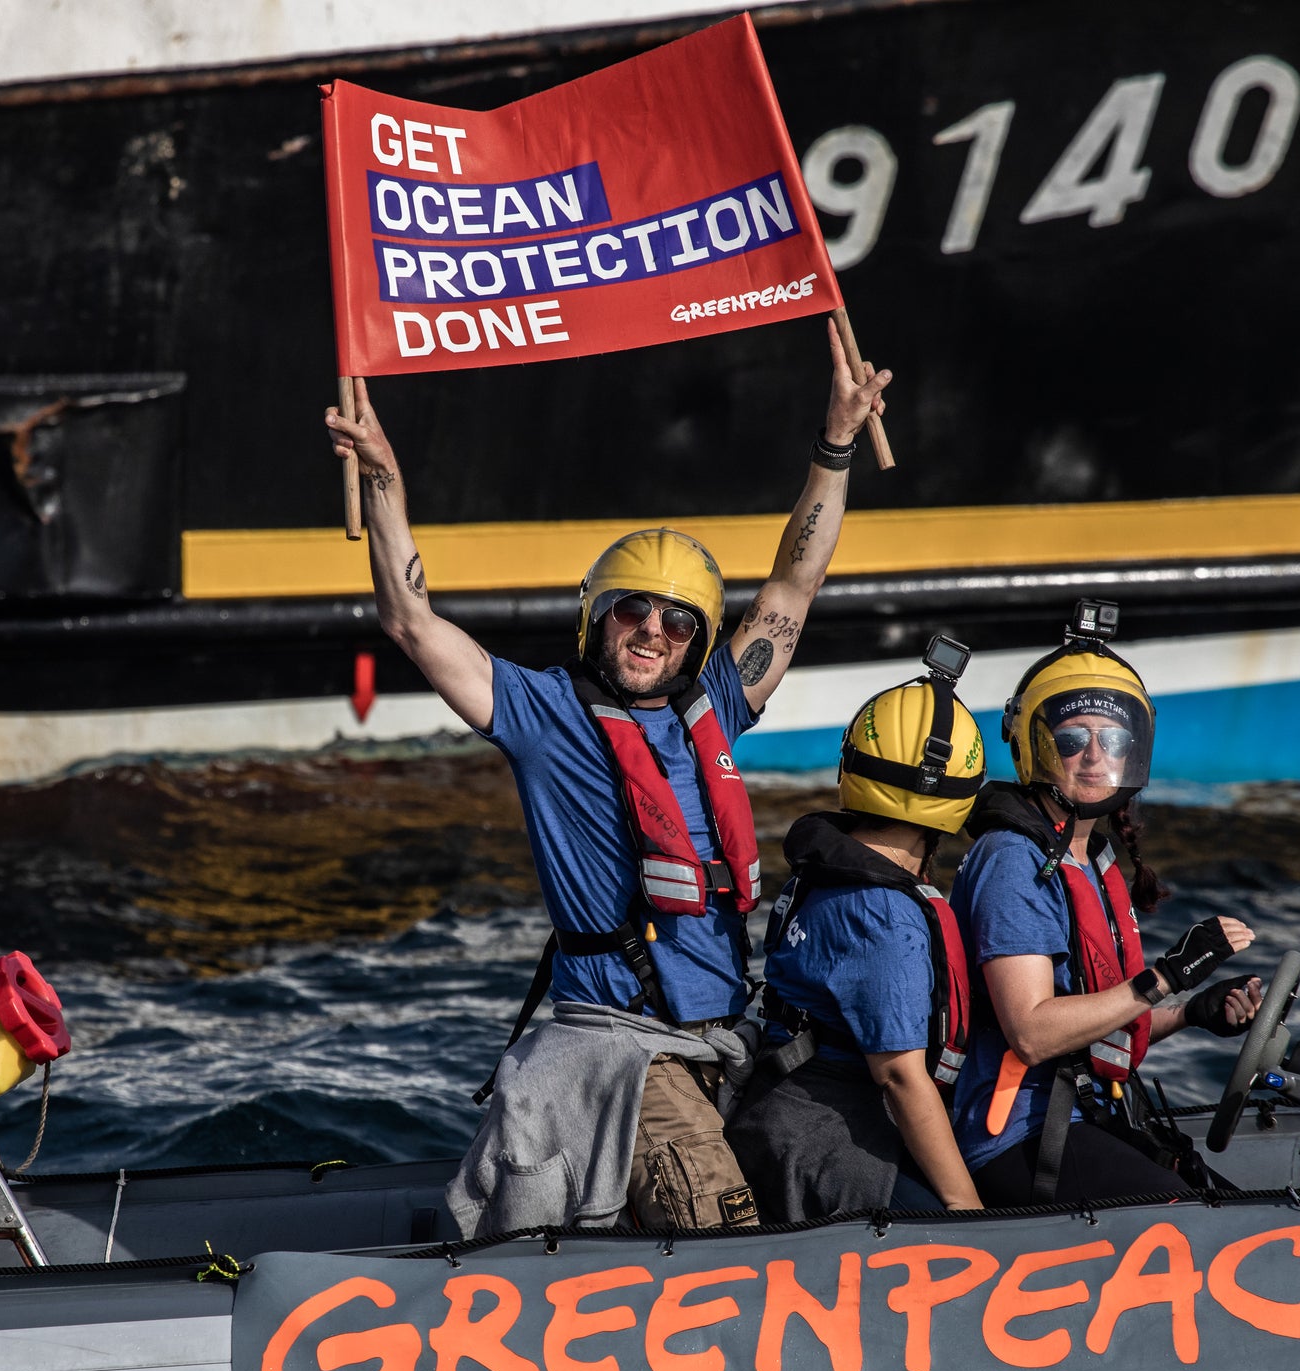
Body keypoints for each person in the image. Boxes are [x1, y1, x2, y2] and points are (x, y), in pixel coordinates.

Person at [326, 322, 892, 1235]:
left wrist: (835, 442)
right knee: (727, 1246)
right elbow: (412, 621)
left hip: (728, 1041)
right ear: (600, 617)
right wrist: (385, 476)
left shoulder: (718, 703)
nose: (653, 632)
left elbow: (793, 587)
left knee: (842, 1171)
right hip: (626, 1052)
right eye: (635, 611)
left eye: (677, 622)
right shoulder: (541, 713)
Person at [948, 603, 1264, 1206]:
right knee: (1198, 1218)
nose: (1095, 755)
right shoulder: (1016, 859)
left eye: (1113, 738)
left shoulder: (1086, 857)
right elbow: (1035, 1033)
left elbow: (1095, 1020)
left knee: (1232, 1205)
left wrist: (1195, 1012)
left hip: (1082, 1116)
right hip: (1017, 1136)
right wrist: (1165, 977)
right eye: (1072, 738)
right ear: (1035, 746)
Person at [727, 650, 988, 1220]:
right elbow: (897, 1075)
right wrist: (966, 1206)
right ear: (962, 798)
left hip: (778, 1115)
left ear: (853, 766)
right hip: (824, 1136)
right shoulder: (883, 914)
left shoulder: (831, 871)